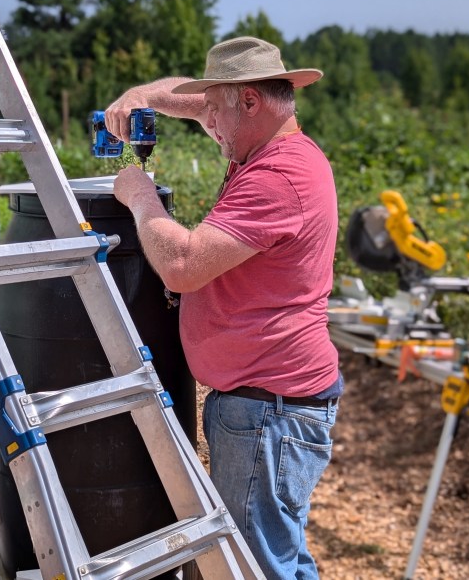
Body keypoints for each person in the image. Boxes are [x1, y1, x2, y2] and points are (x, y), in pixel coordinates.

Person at [105, 36, 342, 579]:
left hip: (269, 407)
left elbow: (184, 264)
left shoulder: (277, 177)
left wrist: (141, 196)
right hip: (268, 403)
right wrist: (144, 94)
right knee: (277, 553)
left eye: (214, 109)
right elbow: (188, 100)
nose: (206, 122)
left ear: (251, 102)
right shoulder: (269, 145)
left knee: (256, 565)